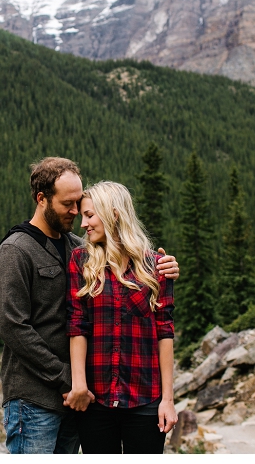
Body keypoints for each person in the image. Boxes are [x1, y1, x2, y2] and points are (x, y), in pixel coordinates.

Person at [0, 157, 179, 454]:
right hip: (36, 397)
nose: (77, 213)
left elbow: (123, 262)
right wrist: (69, 379)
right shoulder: (16, 250)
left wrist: (164, 267)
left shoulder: (77, 247)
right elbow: (11, 326)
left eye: (80, 204)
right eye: (69, 204)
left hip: (78, 401)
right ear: (42, 199)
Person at [64, 180, 177, 454]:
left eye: (89, 215)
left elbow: (165, 332)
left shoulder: (156, 266)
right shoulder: (81, 261)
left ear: (114, 214)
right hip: (96, 402)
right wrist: (79, 384)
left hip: (145, 399)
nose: (83, 224)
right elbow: (77, 325)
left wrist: (168, 400)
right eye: (82, 216)